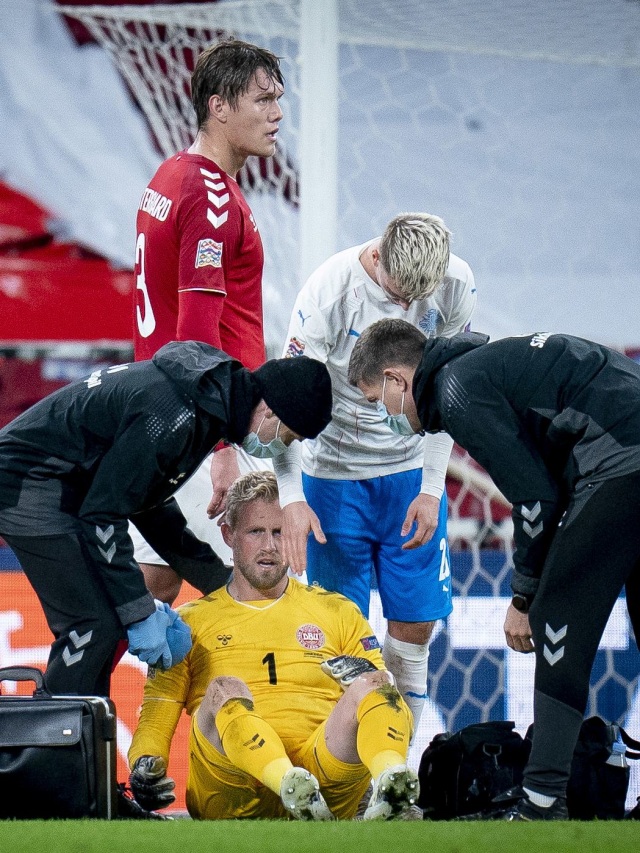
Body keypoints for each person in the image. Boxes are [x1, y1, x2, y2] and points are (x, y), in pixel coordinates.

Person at [347, 318, 640, 821]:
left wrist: (525, 597)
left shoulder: (458, 390)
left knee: (557, 623)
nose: (385, 416)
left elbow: (534, 500)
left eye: (377, 402)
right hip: (624, 448)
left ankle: (543, 800)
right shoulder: (484, 368)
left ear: (398, 380)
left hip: (620, 461)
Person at [0, 341, 331, 696]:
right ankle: (51, 748)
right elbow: (103, 513)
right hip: (27, 482)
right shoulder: (177, 415)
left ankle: (80, 741)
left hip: (62, 484)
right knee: (91, 625)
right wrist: (141, 613)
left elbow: (148, 506)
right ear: (270, 412)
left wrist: (224, 584)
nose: (281, 448)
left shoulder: (206, 403)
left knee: (105, 624)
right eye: (288, 437)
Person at [273, 213, 476, 733]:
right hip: (332, 479)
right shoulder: (327, 293)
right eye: (398, 293)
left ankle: (394, 770)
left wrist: (432, 488)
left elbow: (445, 395)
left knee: (415, 631)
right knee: (343, 637)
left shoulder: (456, 285)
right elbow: (284, 402)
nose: (408, 306)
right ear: (378, 256)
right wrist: (292, 496)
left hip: (409, 475)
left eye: (419, 298)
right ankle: (350, 776)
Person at [127, 471, 419, 821]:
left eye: (280, 532)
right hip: (232, 791)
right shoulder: (188, 623)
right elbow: (159, 707)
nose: (269, 546)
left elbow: (384, 698)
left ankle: (392, 781)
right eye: (256, 532)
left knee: (376, 684)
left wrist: (371, 679)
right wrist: (145, 761)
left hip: (324, 776)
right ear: (228, 534)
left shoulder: (337, 611)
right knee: (223, 690)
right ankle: (288, 782)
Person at [132, 38, 285, 603]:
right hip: (205, 424)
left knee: (156, 583)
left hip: (157, 412)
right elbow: (198, 337)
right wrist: (221, 450)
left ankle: (128, 693)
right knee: (260, 594)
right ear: (219, 106)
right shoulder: (210, 197)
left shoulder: (169, 177)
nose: (277, 115)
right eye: (263, 99)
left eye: (279, 100)